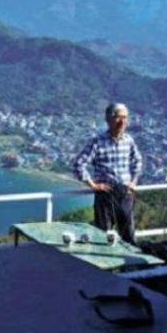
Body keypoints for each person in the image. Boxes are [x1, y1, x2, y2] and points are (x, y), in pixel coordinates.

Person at [72, 103, 142, 245]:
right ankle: (103, 267)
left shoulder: (129, 140)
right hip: (105, 193)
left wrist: (133, 181)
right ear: (108, 120)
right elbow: (78, 164)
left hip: (125, 192)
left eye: (125, 118)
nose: (122, 121)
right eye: (118, 117)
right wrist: (93, 185)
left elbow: (138, 161)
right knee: (103, 235)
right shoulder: (97, 142)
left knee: (128, 234)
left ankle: (129, 267)